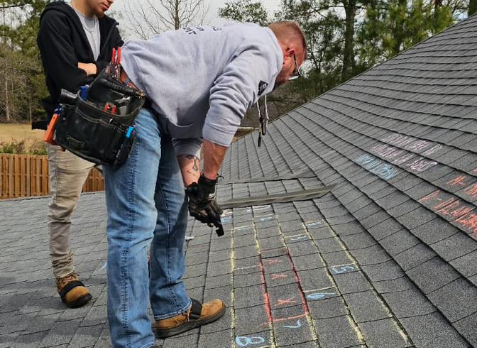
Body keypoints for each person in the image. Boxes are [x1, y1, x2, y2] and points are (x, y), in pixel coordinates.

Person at [103, 21, 306, 347]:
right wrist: (209, 182)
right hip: (130, 100)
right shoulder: (265, 50)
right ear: (290, 53)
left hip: (155, 111)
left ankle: (171, 307)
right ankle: (132, 341)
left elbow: (187, 133)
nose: (286, 78)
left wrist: (195, 190)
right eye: (293, 70)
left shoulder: (233, 44)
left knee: (172, 212)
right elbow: (226, 107)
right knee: (134, 226)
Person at [37, 0, 122, 308]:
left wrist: (92, 68)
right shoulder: (56, 19)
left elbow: (122, 72)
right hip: (71, 129)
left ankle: (136, 262)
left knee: (131, 195)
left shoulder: (109, 27)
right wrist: (103, 70)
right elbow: (67, 78)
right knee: (63, 206)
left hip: (110, 127)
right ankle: (65, 275)